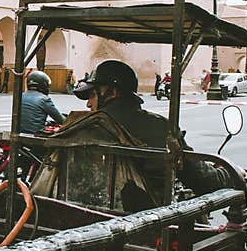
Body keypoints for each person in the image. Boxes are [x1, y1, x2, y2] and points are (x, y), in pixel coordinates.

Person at [73, 59, 233, 208]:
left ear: (113, 92)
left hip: (87, 212)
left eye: (92, 95)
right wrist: (229, 174)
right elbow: (201, 178)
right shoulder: (161, 127)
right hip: (150, 220)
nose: (88, 103)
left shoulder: (82, 127)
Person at [20, 70, 65, 134]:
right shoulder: (44, 99)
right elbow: (61, 120)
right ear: (43, 85)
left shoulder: (20, 96)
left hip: (20, 132)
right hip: (35, 135)